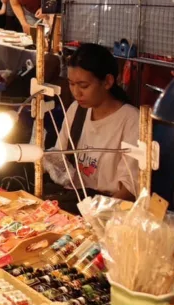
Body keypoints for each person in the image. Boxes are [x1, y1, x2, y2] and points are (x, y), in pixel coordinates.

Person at [43, 44, 139, 201]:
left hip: (106, 205)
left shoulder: (131, 120)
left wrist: (97, 215)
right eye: (71, 84)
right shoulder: (77, 110)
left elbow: (129, 189)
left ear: (107, 82)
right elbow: (60, 156)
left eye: (83, 86)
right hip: (74, 197)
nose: (76, 93)